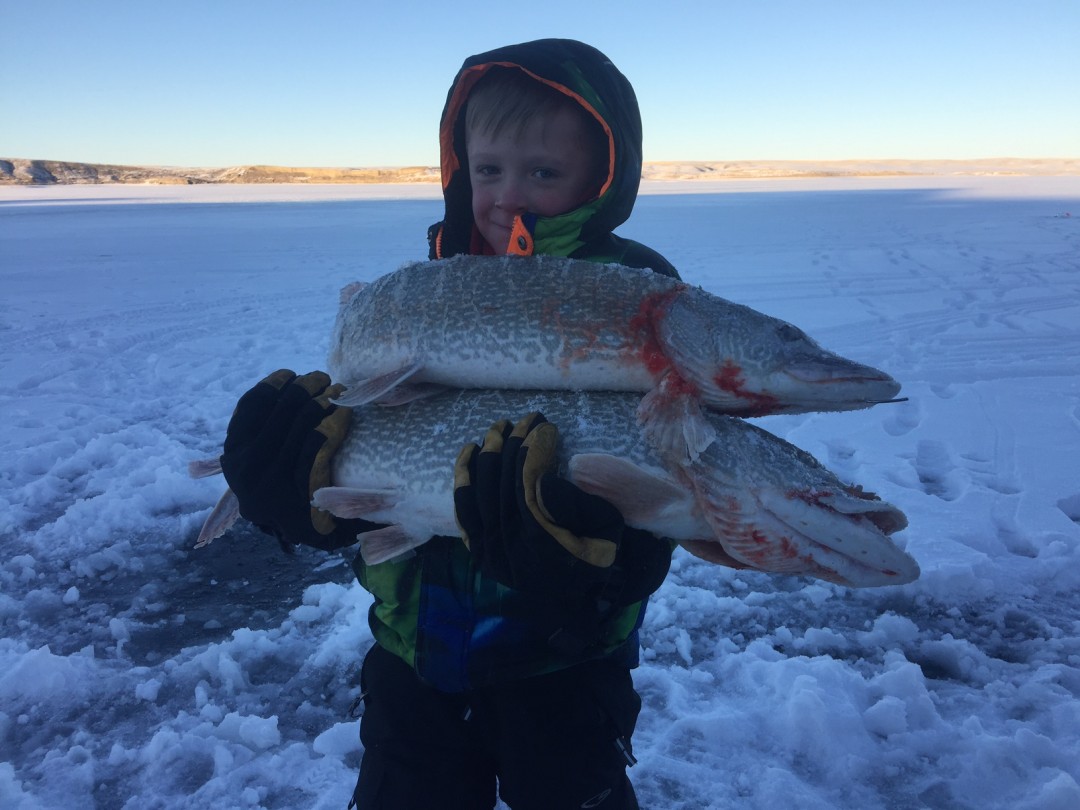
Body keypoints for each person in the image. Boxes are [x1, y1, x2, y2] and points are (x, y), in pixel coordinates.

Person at [220, 39, 680, 809]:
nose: (507, 196)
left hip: (562, 660)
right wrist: (307, 496)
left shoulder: (632, 298)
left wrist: (607, 571)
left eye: (543, 173)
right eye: (489, 170)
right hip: (410, 649)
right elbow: (364, 421)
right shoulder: (422, 295)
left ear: (601, 180)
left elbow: (666, 454)